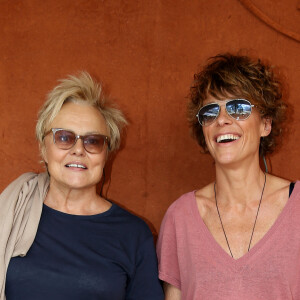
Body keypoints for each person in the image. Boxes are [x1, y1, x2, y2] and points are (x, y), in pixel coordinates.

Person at [0, 72, 164, 300]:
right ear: (43, 148)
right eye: (64, 137)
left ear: (106, 154)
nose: (78, 150)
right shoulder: (12, 212)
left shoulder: (133, 235)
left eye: (93, 141)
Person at [157, 53, 299, 299]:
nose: (222, 119)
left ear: (266, 124)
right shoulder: (179, 218)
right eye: (210, 112)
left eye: (238, 108)